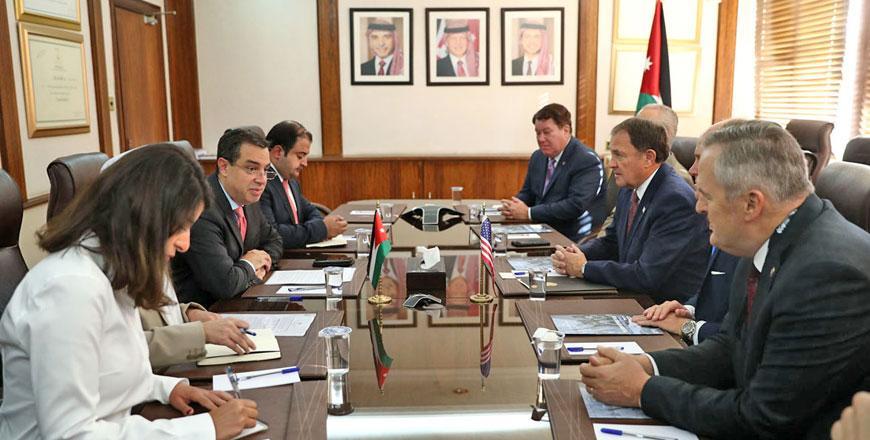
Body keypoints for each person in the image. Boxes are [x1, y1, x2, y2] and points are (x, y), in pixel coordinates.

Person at [579, 120, 870, 438]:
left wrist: (642, 390)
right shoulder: (767, 239)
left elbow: (764, 418)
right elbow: (732, 346)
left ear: (751, 203)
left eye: (706, 196)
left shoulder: (825, 274)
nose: (698, 207)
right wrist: (647, 365)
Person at [0, 145, 258, 439]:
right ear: (144, 215)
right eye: (182, 226)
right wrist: (204, 429)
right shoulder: (69, 290)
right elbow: (70, 435)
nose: (185, 243)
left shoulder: (114, 274)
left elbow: (111, 371)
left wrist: (168, 388)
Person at [99, 144, 257, 369]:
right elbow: (119, 352)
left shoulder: (144, 248)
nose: (185, 244)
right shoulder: (93, 274)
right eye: (181, 226)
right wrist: (200, 334)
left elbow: (155, 312)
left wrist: (189, 314)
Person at [551, 117, 709, 302]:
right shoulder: (630, 187)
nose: (612, 164)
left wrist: (584, 268)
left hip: (661, 306)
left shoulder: (674, 200)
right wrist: (575, 253)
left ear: (648, 158)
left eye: (619, 155)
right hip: (630, 295)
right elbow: (612, 242)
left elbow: (646, 275)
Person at [631, 122, 738, 344]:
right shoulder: (731, 229)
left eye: (700, 158)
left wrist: (687, 327)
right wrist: (687, 309)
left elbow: (740, 338)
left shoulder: (749, 238)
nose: (692, 169)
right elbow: (716, 291)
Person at [173, 127, 283, 308]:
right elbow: (225, 284)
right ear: (224, 166)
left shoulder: (247, 196)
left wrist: (259, 262)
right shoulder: (202, 208)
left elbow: (274, 239)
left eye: (265, 170)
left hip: (240, 301)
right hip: (206, 312)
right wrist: (249, 264)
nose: (262, 179)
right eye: (252, 169)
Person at [500, 103, 607, 242]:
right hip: (539, 229)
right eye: (538, 133)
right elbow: (528, 193)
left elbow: (575, 205)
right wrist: (513, 206)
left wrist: (529, 213)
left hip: (572, 237)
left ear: (566, 130)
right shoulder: (538, 156)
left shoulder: (586, 160)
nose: (540, 139)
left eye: (547, 132)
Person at [260, 120, 347, 249]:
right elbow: (273, 234)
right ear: (278, 152)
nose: (305, 163)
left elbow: (311, 211)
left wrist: (321, 227)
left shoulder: (291, 181)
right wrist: (322, 229)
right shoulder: (261, 184)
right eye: (300, 156)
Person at [635, 103, 693, 184]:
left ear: (665, 135)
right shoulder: (627, 166)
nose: (633, 134)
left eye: (641, 129)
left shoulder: (678, 179)